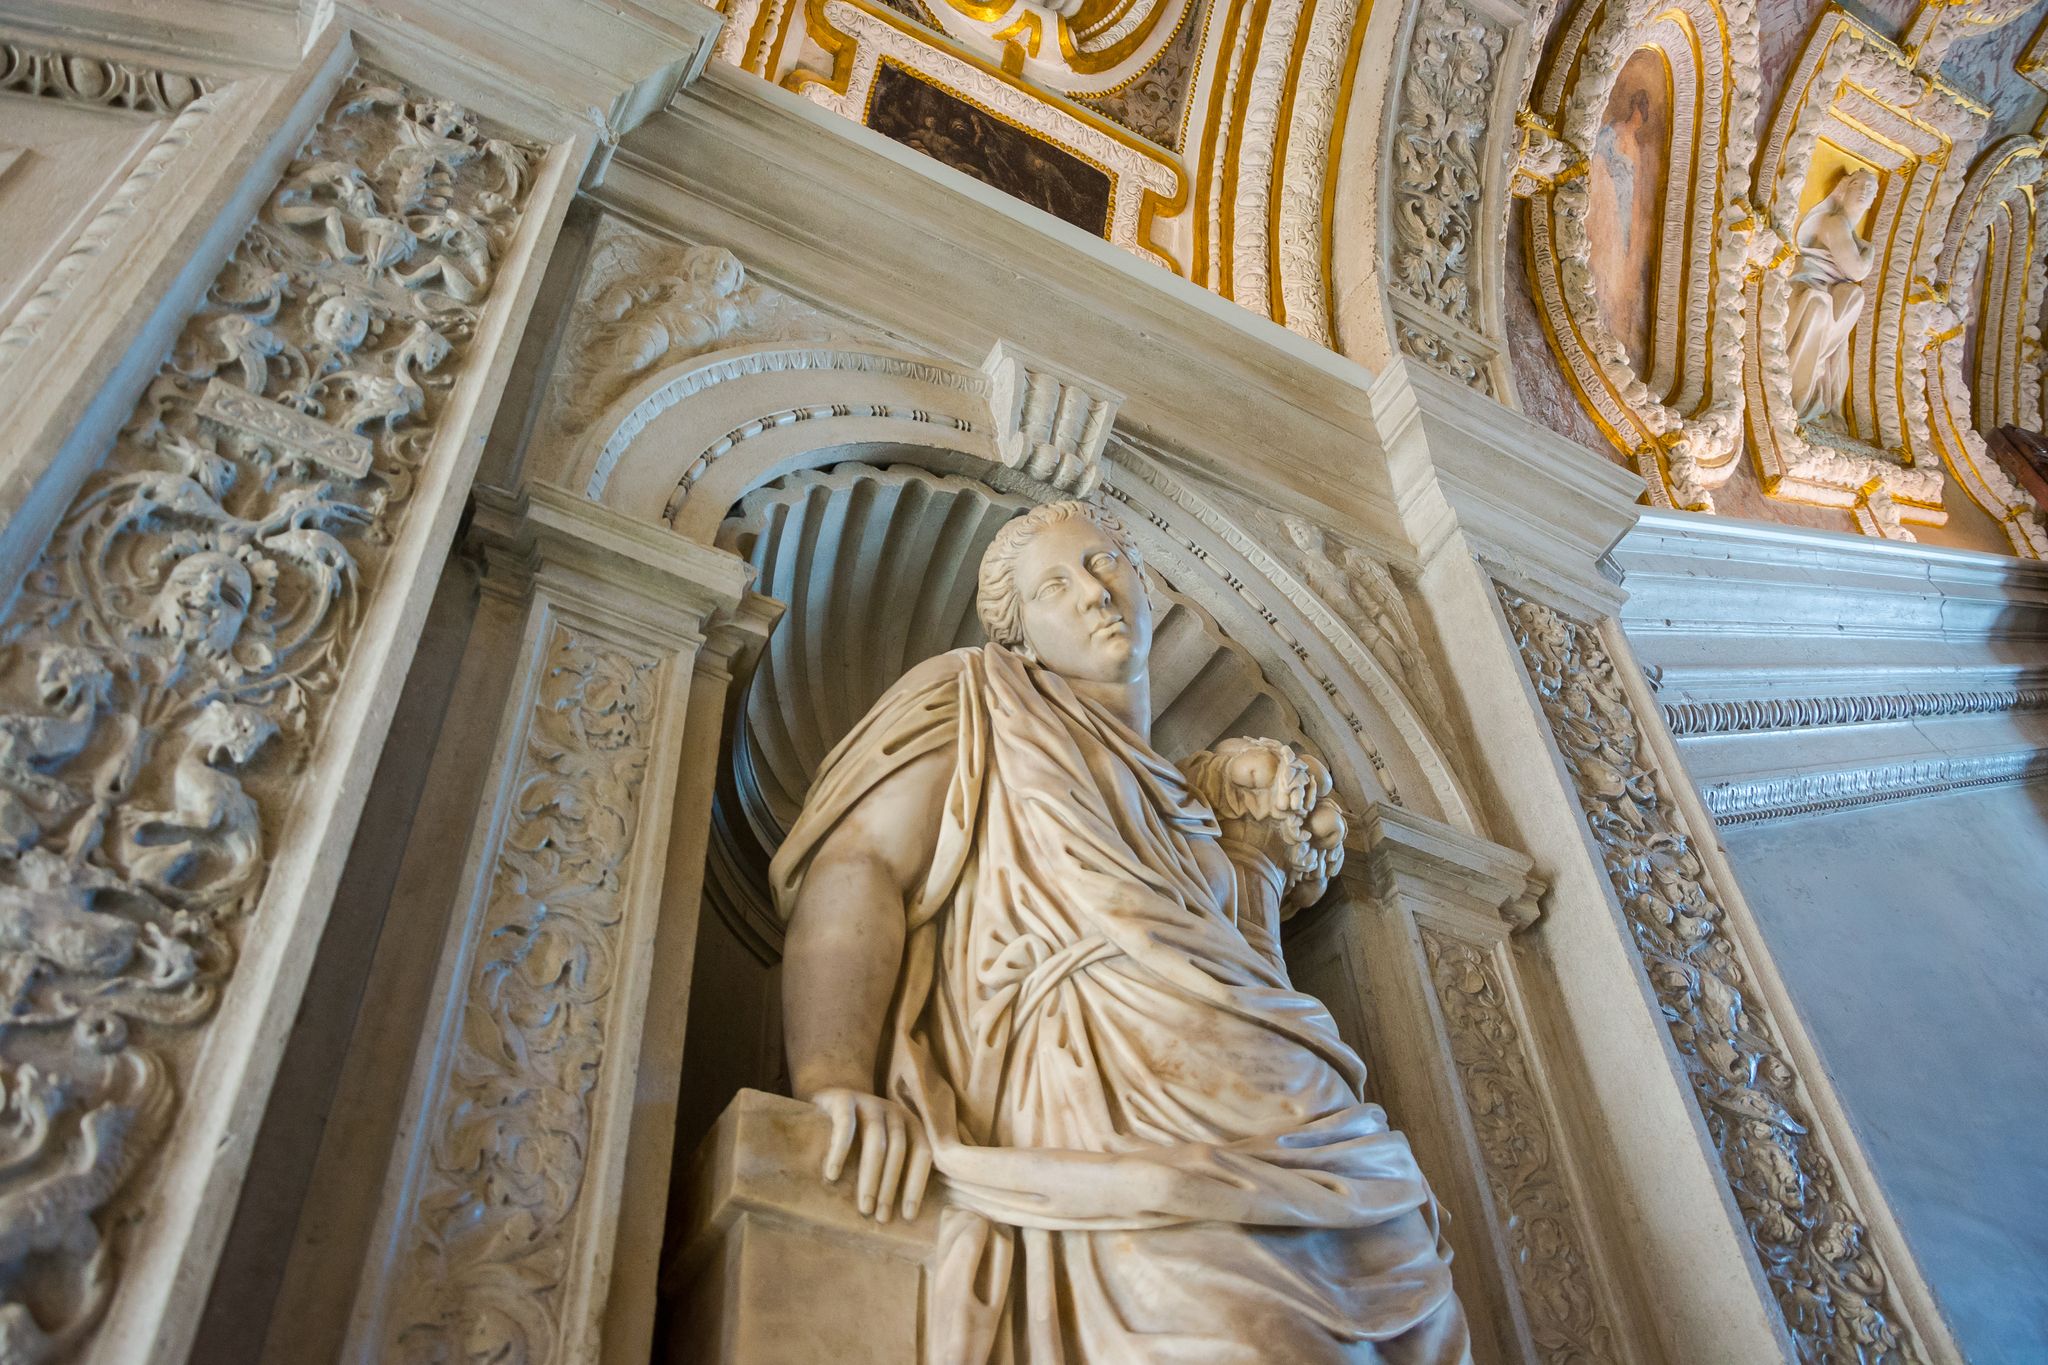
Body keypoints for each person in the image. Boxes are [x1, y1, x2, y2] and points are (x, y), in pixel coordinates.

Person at [771, 500, 1470, 1363]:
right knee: (1242, 1337)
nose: (1095, 592)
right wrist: (833, 1072)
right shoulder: (978, 700)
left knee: (1417, 1331)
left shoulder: (1190, 807)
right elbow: (863, 862)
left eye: (1105, 563)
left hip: (1296, 1116)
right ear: (1019, 635)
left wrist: (1254, 859)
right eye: (1055, 586)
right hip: (1102, 1110)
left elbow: (1247, 980)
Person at [1786, 169, 1880, 422]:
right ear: (1845, 189)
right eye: (1858, 184)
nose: (1864, 191)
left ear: (1874, 200)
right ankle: (1796, 385)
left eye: (1870, 189)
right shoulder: (1833, 222)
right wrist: (1870, 251)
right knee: (1819, 305)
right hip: (1807, 284)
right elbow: (1857, 270)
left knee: (1854, 295)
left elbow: (1855, 277)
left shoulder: (1851, 234)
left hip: (1829, 289)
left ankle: (1818, 365)